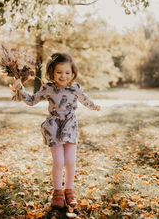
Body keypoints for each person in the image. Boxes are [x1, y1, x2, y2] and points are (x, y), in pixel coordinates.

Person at [10, 52, 100, 209]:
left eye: (67, 72)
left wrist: (95, 106)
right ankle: (57, 192)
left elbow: (85, 99)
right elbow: (32, 101)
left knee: (70, 162)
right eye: (59, 72)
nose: (63, 76)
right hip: (53, 128)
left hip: (70, 127)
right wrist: (21, 89)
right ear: (52, 72)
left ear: (73, 73)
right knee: (59, 162)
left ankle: (69, 191)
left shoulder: (75, 88)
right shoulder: (48, 88)